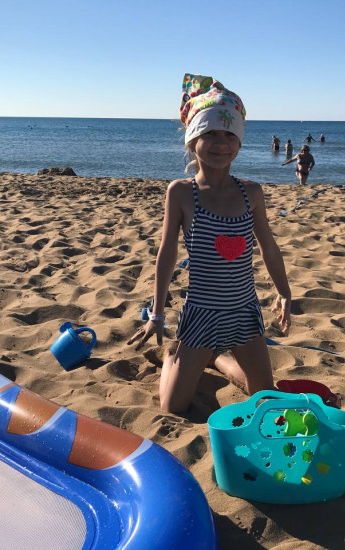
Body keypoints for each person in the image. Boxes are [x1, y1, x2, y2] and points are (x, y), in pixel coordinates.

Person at [128, 74, 292, 414]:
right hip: (201, 313)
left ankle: (216, 359)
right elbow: (167, 252)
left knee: (265, 397)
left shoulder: (251, 193)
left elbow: (269, 247)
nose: (221, 143)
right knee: (172, 407)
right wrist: (157, 313)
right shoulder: (181, 192)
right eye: (210, 134)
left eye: (230, 134)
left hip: (244, 312)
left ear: (240, 142)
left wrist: (284, 292)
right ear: (193, 140)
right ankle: (174, 357)